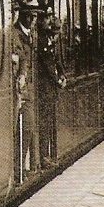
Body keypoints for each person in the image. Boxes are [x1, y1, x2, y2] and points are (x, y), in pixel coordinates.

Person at [12, 0, 43, 178]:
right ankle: (19, 169)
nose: (32, 20)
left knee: (29, 128)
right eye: (29, 16)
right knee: (24, 128)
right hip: (22, 90)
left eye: (35, 16)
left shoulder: (30, 34)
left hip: (28, 88)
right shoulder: (16, 34)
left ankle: (27, 165)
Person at [36, 9, 66, 169]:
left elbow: (56, 60)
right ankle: (43, 156)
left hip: (50, 89)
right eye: (46, 18)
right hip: (45, 89)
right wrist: (58, 80)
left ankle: (46, 155)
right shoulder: (40, 40)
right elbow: (47, 65)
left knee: (48, 122)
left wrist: (62, 75)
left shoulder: (48, 39)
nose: (48, 20)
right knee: (45, 122)